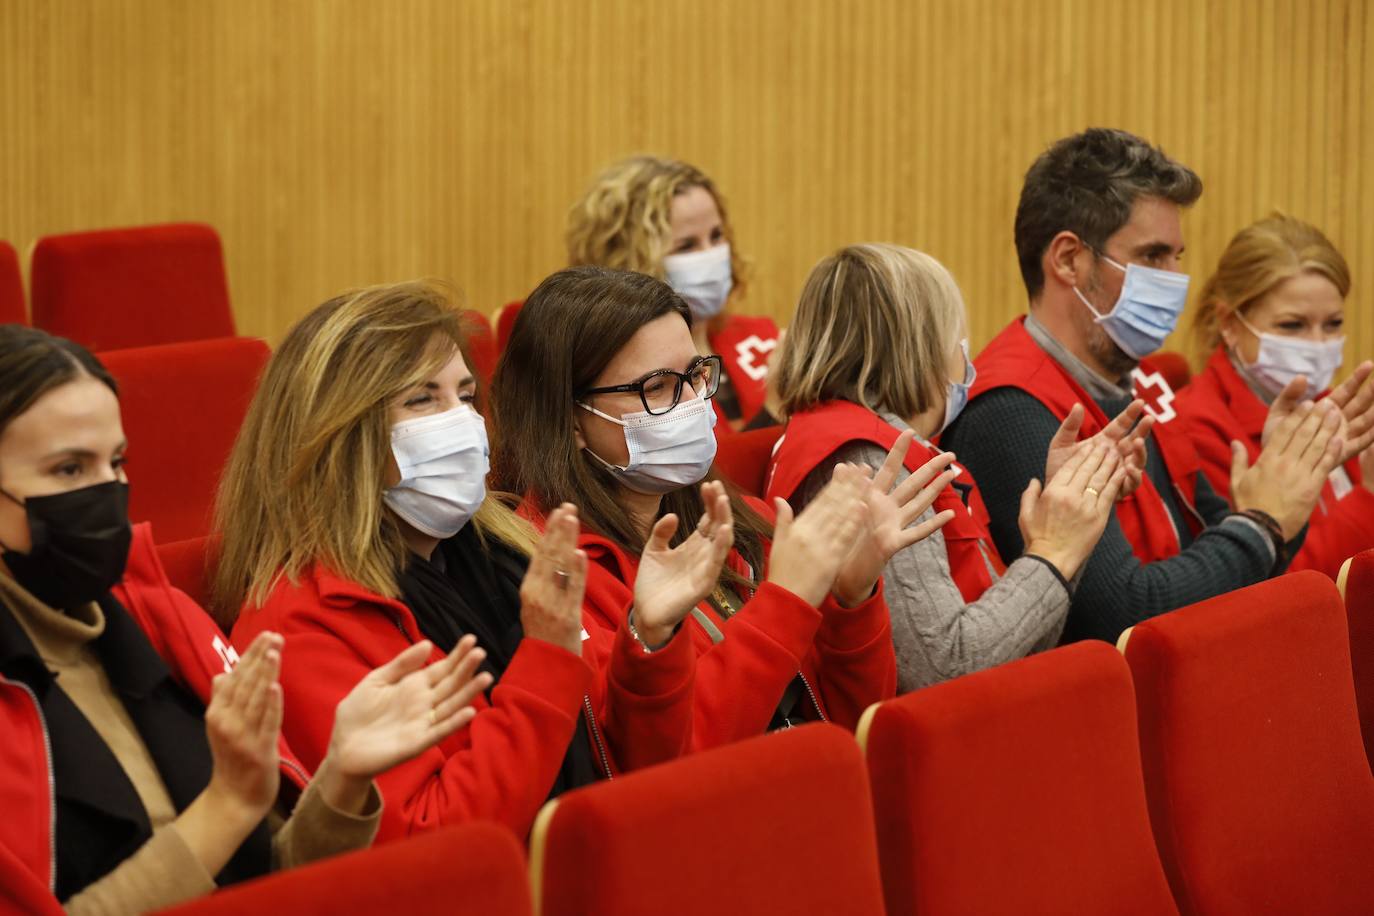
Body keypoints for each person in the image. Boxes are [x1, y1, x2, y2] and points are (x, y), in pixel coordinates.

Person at [0, 325, 488, 914]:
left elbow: (267, 881)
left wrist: (341, 781)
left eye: (117, 462)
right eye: (69, 471)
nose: (108, 493)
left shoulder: (154, 619)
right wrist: (226, 807)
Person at [214, 282, 700, 844]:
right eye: (423, 400)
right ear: (340, 435)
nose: (462, 423)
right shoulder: (298, 626)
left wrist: (652, 640)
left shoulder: (509, 557)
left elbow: (627, 768)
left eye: (466, 397)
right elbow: (438, 842)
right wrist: (545, 658)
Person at [944, 127, 1373, 643]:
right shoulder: (1011, 408)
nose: (1175, 279)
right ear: (1067, 260)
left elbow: (1234, 558)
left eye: (1177, 257)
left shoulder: (1138, 379)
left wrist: (1288, 486)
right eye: (1152, 257)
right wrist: (1263, 522)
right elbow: (1124, 613)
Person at [492, 265, 950, 744]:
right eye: (656, 388)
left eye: (695, 375)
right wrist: (785, 605)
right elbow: (667, 764)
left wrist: (851, 600)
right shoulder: (547, 582)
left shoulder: (746, 522)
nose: (693, 402)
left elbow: (854, 725)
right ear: (570, 422)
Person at [766, 244, 1129, 691]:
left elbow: (1024, 649)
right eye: (959, 341)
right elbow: (944, 669)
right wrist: (1052, 554)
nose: (967, 362)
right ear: (920, 352)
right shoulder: (872, 464)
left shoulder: (863, 440)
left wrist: (1069, 518)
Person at [1176, 214, 1374, 579]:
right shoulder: (1197, 428)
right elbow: (1276, 588)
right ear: (1230, 324)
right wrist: (1370, 497)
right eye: (1292, 325)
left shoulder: (1331, 404)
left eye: (1333, 324)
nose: (1319, 345)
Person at [566, 155, 782, 430]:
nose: (710, 255)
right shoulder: (627, 373)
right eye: (686, 246)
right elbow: (700, 466)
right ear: (629, 260)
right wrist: (775, 407)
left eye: (716, 236)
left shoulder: (760, 339)